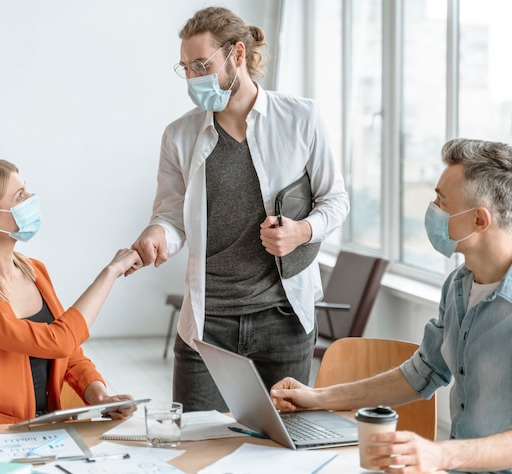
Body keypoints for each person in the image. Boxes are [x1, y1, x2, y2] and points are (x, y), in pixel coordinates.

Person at [271, 138, 512, 474]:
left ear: (479, 221)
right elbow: (421, 373)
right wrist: (317, 397)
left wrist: (439, 455)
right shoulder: (458, 285)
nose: (432, 209)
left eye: (441, 202)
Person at [131, 6, 349, 412]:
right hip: (206, 321)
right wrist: (157, 232)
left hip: (282, 319)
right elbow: (172, 216)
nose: (193, 77)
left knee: (283, 447)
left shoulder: (301, 118)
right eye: (185, 68)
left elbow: (335, 200)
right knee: (196, 446)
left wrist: (302, 231)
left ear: (237, 55)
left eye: (201, 64)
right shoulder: (179, 136)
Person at [0, 159, 143, 426]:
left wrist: (99, 396)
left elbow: (68, 356)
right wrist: (110, 272)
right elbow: (58, 340)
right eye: (19, 196)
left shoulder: (36, 271)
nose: (31, 200)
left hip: (49, 430)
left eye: (27, 192)